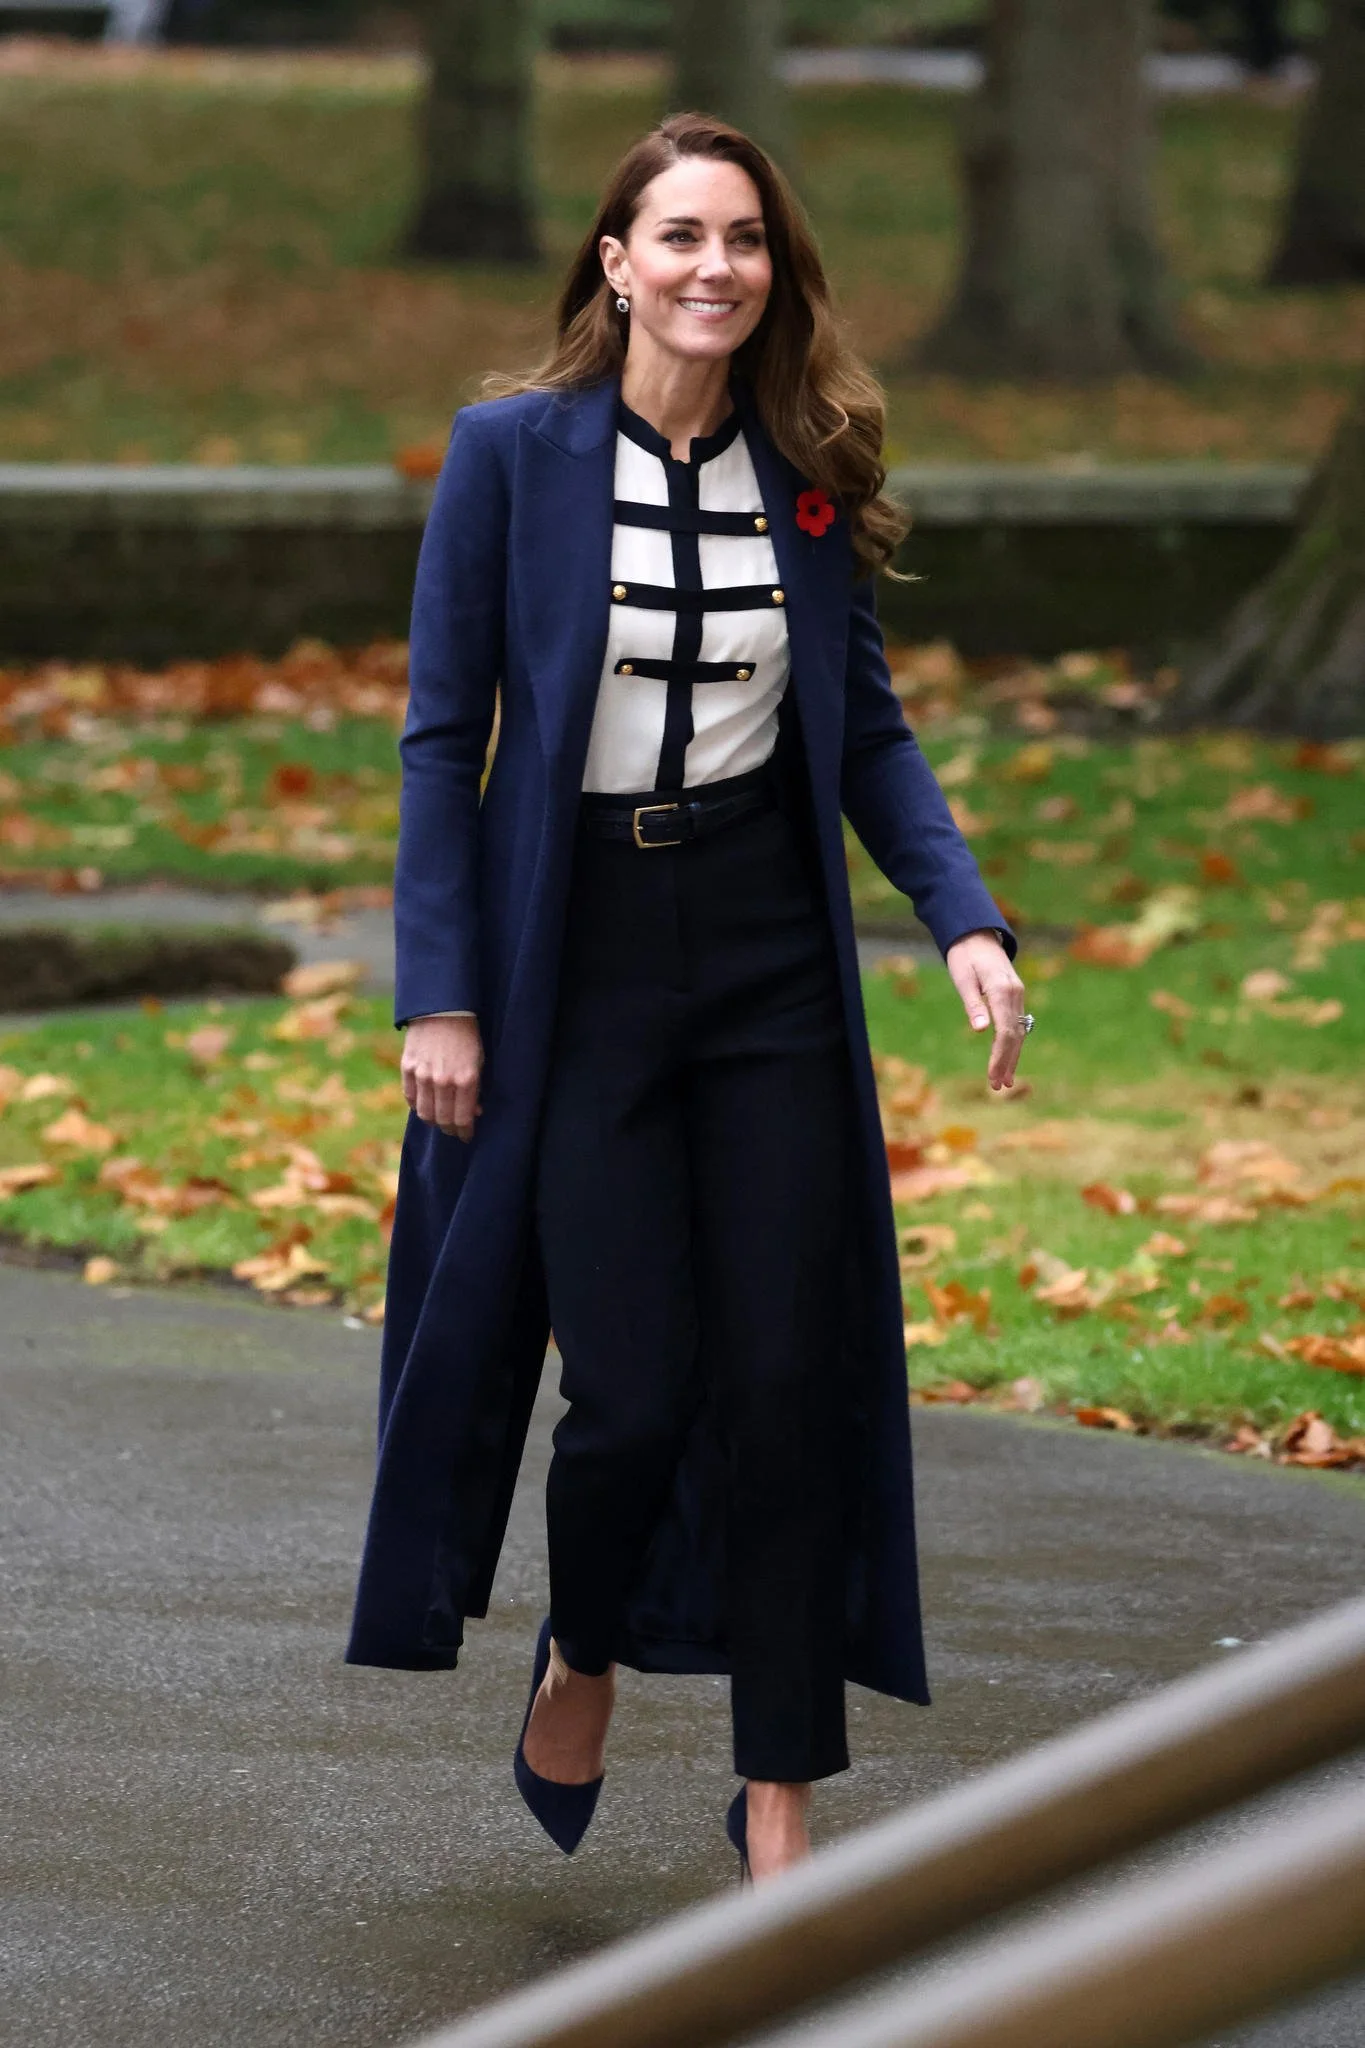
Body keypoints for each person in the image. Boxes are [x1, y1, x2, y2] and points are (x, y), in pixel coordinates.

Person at [345, 111, 1028, 1885]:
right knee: (636, 1393)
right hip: (579, 953)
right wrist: (442, 993)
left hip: (769, 954)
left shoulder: (812, 465)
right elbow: (440, 740)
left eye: (746, 240)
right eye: (681, 237)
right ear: (616, 260)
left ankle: (781, 1801)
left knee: (792, 1379)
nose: (716, 267)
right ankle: (587, 1643)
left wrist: (961, 917)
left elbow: (864, 728)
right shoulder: (510, 458)